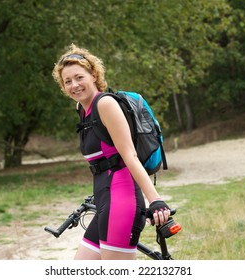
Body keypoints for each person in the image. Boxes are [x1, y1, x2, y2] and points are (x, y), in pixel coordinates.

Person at [52, 44, 171, 260]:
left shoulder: (105, 104)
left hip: (122, 203)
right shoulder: (82, 109)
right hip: (106, 201)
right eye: (67, 81)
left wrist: (155, 200)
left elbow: (129, 156)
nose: (74, 85)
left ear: (94, 75)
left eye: (79, 77)